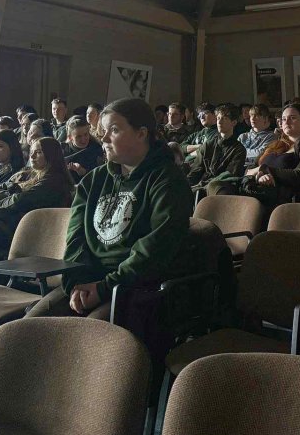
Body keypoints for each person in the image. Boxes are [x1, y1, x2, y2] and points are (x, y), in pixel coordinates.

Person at [27, 98, 192, 344]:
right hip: (88, 280)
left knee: (84, 342)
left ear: (141, 133)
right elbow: (75, 238)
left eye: (113, 130)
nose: (103, 138)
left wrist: (104, 287)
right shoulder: (93, 180)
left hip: (134, 286)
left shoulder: (167, 180)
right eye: (102, 131)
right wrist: (76, 282)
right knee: (26, 332)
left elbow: (155, 249)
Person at [237, 103, 300, 206]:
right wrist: (259, 176)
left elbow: (298, 175)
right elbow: (250, 169)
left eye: (292, 118)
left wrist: (264, 169)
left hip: (284, 201)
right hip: (257, 191)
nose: (286, 122)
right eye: (283, 119)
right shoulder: (274, 144)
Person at [187, 103, 246, 189]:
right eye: (218, 118)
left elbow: (229, 174)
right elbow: (196, 170)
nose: (219, 122)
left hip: (221, 187)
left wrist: (203, 185)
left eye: (224, 118)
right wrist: (187, 185)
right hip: (202, 185)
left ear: (233, 122)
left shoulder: (238, 149)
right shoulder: (208, 144)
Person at [63, 116, 104, 181]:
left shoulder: (96, 149)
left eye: (85, 134)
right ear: (70, 137)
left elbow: (101, 175)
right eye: (78, 136)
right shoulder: (63, 150)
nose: (83, 139)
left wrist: (83, 171)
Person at [237, 104, 276, 169]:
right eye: (251, 115)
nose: (252, 118)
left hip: (257, 169)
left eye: (256, 115)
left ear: (265, 118)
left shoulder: (271, 137)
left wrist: (242, 151)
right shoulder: (243, 136)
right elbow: (235, 153)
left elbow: (261, 154)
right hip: (238, 168)